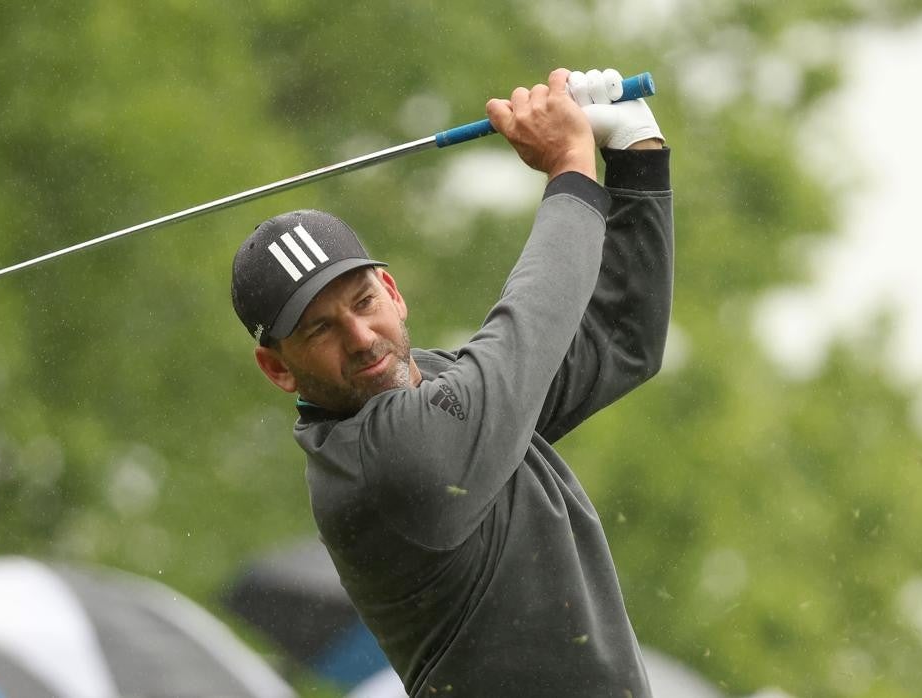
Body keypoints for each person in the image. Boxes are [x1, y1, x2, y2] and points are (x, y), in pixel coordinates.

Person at [230, 67, 672, 697]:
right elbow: (530, 328)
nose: (359, 338)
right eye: (319, 331)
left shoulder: (449, 393)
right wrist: (570, 170)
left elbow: (620, 339)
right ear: (277, 368)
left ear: (392, 291)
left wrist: (635, 152)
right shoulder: (380, 459)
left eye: (361, 302)